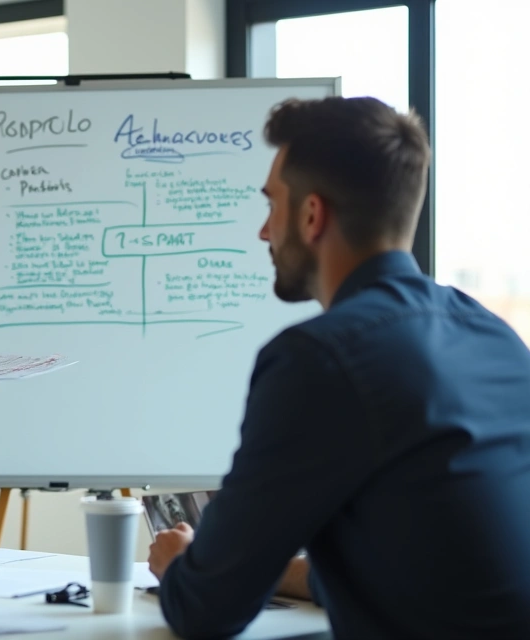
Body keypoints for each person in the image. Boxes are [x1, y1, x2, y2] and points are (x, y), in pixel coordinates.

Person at [147, 96, 530, 639]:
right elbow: (425, 572)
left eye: (271, 204)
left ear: (311, 215)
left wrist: (180, 567)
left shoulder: (320, 360)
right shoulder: (493, 335)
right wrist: (273, 569)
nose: (263, 231)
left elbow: (207, 611)